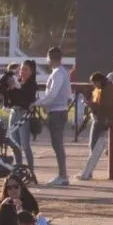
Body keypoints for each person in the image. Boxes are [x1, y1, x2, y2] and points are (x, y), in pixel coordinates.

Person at [32, 47, 71, 187]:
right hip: (58, 111)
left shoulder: (58, 73)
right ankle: (62, 174)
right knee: (57, 144)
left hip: (57, 112)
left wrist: (37, 103)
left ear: (49, 58)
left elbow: (52, 94)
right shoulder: (62, 72)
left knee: (57, 144)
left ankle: (63, 176)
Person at [77, 72, 113, 181]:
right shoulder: (105, 88)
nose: (94, 85)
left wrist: (91, 104)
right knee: (96, 145)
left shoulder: (108, 89)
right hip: (104, 118)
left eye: (95, 83)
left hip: (105, 119)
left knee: (94, 145)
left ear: (100, 81)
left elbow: (106, 105)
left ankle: (88, 172)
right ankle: (88, 172)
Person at [0, 60, 38, 178]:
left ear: (31, 71)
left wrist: (16, 88)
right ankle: (18, 170)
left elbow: (26, 97)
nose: (22, 72)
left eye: (26, 69)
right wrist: (7, 90)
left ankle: (31, 172)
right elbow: (9, 97)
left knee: (25, 145)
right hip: (13, 113)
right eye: (21, 69)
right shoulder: (17, 81)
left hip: (23, 115)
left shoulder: (32, 84)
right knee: (14, 145)